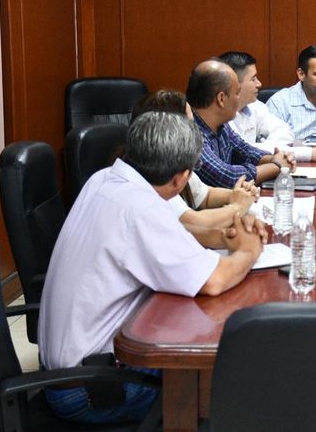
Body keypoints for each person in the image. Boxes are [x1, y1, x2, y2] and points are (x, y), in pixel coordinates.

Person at [38, 111, 267, 424]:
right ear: (180, 178)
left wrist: (223, 238)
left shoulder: (104, 180)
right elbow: (213, 281)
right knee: (230, 379)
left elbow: (164, 243)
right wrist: (249, 251)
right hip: (95, 390)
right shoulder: (141, 208)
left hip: (68, 374)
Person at [131, 90, 261, 248]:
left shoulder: (166, 159)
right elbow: (198, 224)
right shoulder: (152, 174)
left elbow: (204, 196)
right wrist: (238, 207)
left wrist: (237, 195)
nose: (196, 132)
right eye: (191, 125)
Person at [186, 60, 295, 188]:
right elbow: (227, 177)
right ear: (221, 99)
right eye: (237, 93)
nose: (239, 99)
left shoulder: (221, 125)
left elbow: (244, 150)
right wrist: (278, 166)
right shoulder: (190, 134)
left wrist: (273, 159)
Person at [218, 50, 316, 162]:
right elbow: (244, 151)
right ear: (235, 84)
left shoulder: (254, 105)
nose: (259, 84)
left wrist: (268, 148)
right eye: (253, 79)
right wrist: (309, 153)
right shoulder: (222, 115)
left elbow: (285, 132)